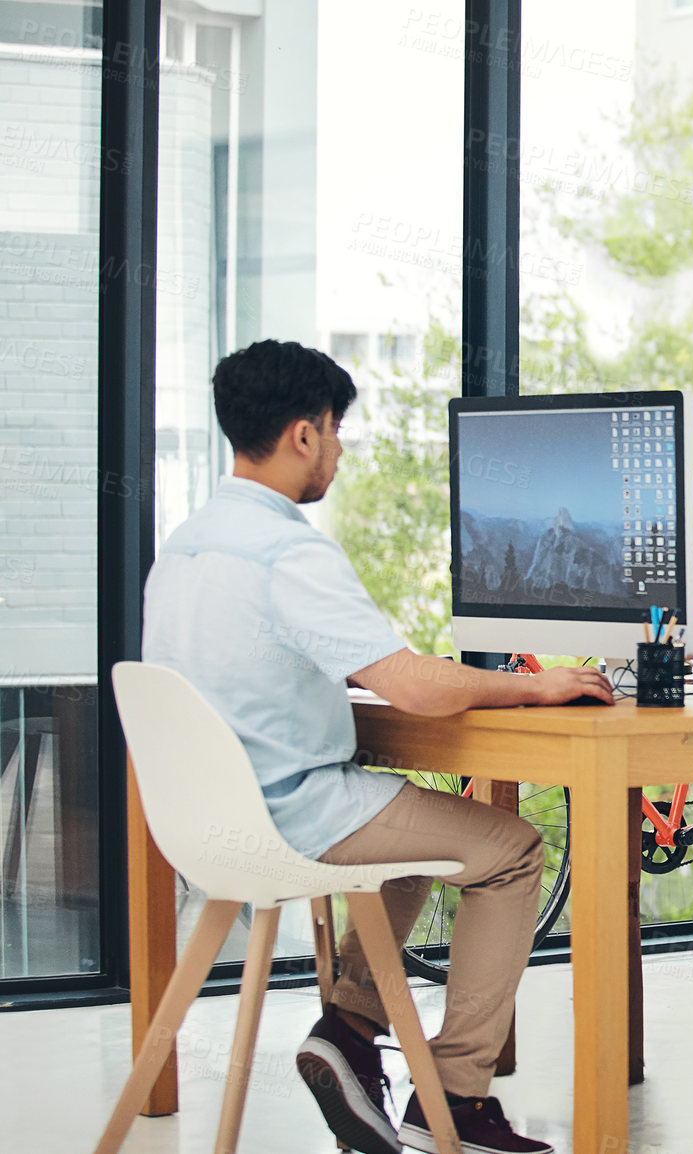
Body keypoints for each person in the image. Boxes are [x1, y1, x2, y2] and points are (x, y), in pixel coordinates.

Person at [142, 340, 613, 1154]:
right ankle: (455, 1099)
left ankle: (352, 1032)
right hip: (293, 817)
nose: (339, 449)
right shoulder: (288, 549)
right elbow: (421, 690)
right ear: (302, 435)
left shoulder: (181, 547)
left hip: (202, 828)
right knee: (509, 848)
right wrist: (538, 685)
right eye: (335, 431)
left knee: (414, 820)